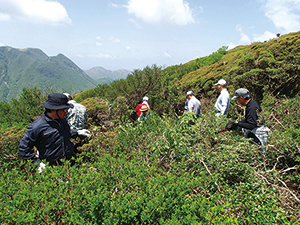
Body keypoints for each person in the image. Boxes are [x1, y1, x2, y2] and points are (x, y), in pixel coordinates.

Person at [19, 93, 91, 172]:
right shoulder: (37, 127)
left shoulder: (62, 120)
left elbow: (65, 133)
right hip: (53, 169)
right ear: (53, 110)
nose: (66, 112)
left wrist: (77, 132)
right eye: (64, 110)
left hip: (71, 164)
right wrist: (37, 163)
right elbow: (24, 148)